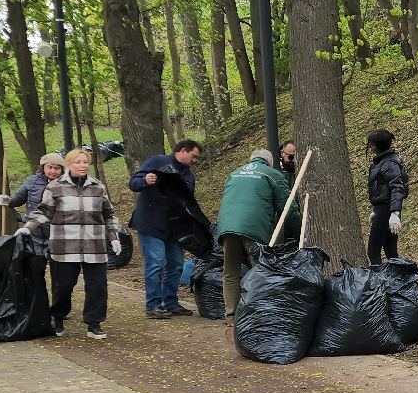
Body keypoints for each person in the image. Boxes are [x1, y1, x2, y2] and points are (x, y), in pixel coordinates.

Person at [18, 148, 120, 339]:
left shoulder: (98, 187)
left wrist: (113, 237)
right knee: (63, 285)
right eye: (77, 162)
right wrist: (28, 228)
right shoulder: (55, 187)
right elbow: (43, 211)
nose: (82, 166)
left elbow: (108, 214)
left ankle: (94, 322)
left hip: (94, 245)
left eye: (85, 162)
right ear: (69, 165)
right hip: (65, 246)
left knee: (97, 286)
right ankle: (58, 316)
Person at [218, 148, 299, 335]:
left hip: (227, 225)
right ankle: (259, 315)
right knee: (260, 271)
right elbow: (287, 207)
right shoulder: (273, 174)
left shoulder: (235, 173)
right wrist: (298, 231)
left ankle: (231, 319)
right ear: (269, 162)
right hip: (255, 227)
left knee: (230, 272)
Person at [129, 139, 203, 318]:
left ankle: (170, 302)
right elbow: (134, 182)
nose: (194, 161)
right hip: (151, 223)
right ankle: (153, 305)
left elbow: (187, 202)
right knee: (155, 263)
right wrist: (146, 180)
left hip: (174, 226)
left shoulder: (189, 176)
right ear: (182, 151)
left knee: (176, 264)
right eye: (193, 156)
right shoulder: (157, 162)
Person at [0, 153, 65, 257]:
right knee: (35, 268)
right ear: (43, 167)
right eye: (49, 167)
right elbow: (18, 199)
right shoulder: (32, 181)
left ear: (62, 170)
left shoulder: (66, 185)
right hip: (34, 235)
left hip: (57, 236)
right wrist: (7, 200)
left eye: (56, 168)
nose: (52, 171)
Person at [366, 129, 409, 264]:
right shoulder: (384, 161)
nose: (370, 147)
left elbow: (397, 187)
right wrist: (375, 209)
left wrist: (394, 213)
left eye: (371, 144)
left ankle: (380, 283)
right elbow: (381, 188)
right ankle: (397, 281)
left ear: (376, 145)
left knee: (373, 251)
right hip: (384, 208)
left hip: (387, 209)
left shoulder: (389, 163)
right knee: (391, 251)